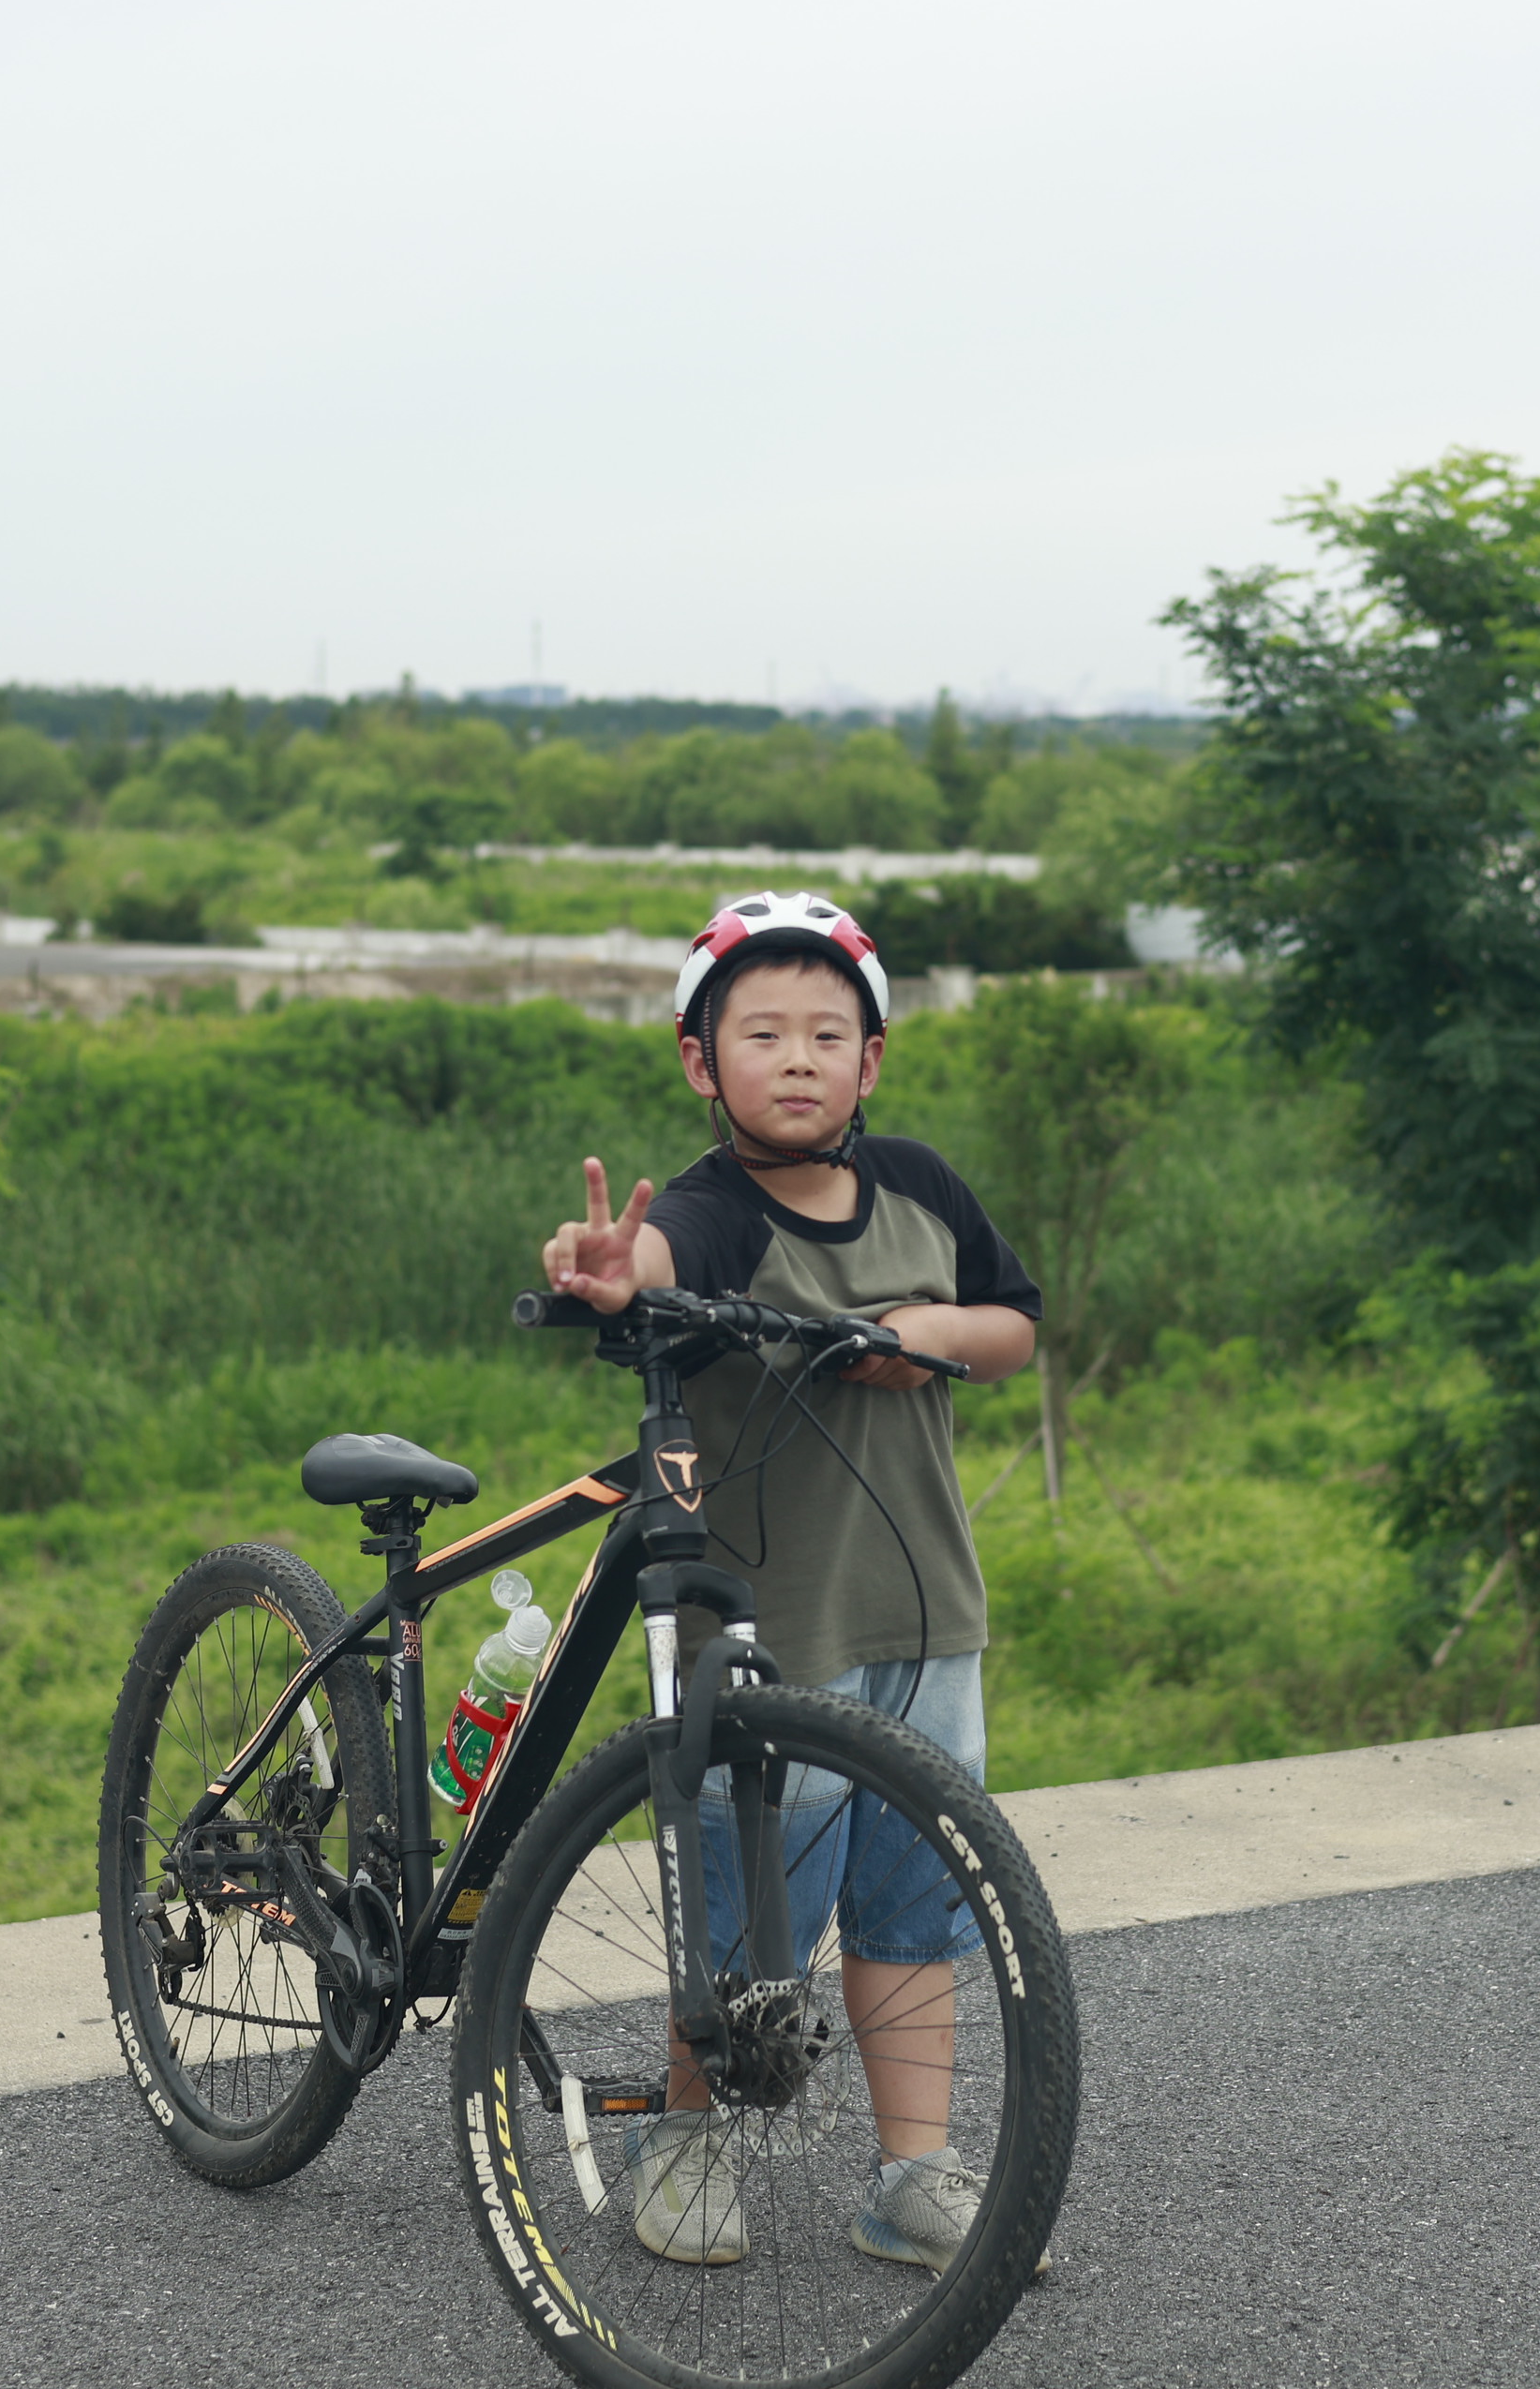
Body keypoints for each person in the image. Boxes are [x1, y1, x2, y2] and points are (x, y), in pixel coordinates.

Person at [537, 889, 1043, 2276]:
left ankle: (915, 2172)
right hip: (772, 1631)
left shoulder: (924, 1187)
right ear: (701, 1062)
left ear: (871, 1061)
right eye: (762, 1033)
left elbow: (1014, 1326)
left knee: (914, 1904)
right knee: (753, 1906)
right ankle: (686, 2139)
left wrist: (930, 1333)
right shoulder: (712, 1210)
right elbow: (655, 1263)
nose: (800, 1058)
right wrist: (607, 1269)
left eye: (830, 1034)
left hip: (926, 1614)